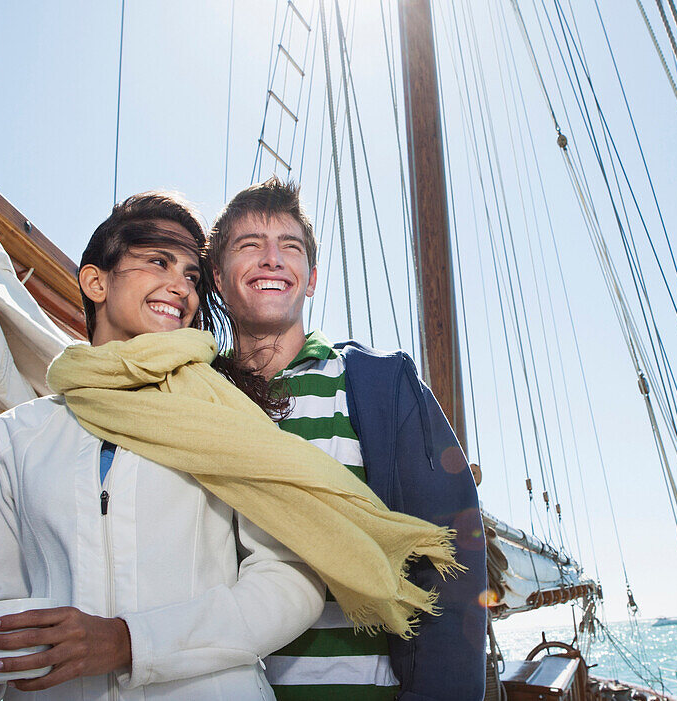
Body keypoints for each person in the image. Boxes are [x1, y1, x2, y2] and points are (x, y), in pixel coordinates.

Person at [0, 190, 463, 699]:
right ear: (95, 282)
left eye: (191, 273)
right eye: (158, 261)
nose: (180, 285)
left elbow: (308, 574)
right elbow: (3, 605)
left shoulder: (226, 410)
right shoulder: (14, 437)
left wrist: (129, 641)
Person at [207, 177, 487, 700]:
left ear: (310, 280)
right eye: (250, 246)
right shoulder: (198, 400)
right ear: (219, 280)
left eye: (289, 247)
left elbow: (450, 553)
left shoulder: (379, 388)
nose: (271, 259)